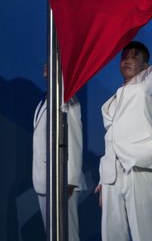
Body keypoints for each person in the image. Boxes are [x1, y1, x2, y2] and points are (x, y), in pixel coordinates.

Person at [96, 28, 152, 241]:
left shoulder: (147, 86)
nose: (127, 60)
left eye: (134, 57)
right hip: (112, 173)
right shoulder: (113, 100)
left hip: (138, 164)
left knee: (143, 232)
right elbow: (111, 139)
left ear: (145, 66)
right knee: (111, 234)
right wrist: (104, 176)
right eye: (124, 57)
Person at [33, 66, 86, 241]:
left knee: (68, 236)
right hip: (44, 181)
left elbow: (75, 137)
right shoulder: (44, 100)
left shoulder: (67, 98)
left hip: (62, 182)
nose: (47, 66)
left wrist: (70, 180)